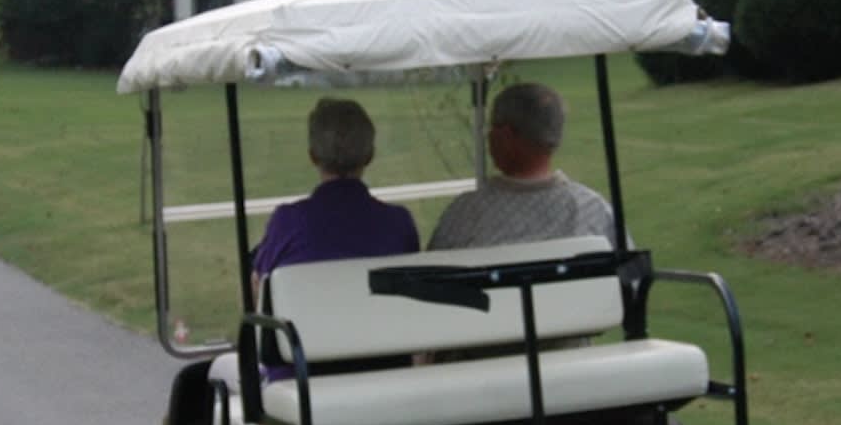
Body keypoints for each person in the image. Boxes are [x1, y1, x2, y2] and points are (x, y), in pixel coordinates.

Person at [251, 98, 419, 289]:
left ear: (312, 156)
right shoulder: (399, 224)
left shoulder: (287, 222)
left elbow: (260, 288)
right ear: (370, 156)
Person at [428, 82, 618, 250]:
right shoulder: (593, 209)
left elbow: (432, 281)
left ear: (505, 135)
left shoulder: (465, 215)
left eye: (492, 127)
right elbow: (630, 281)